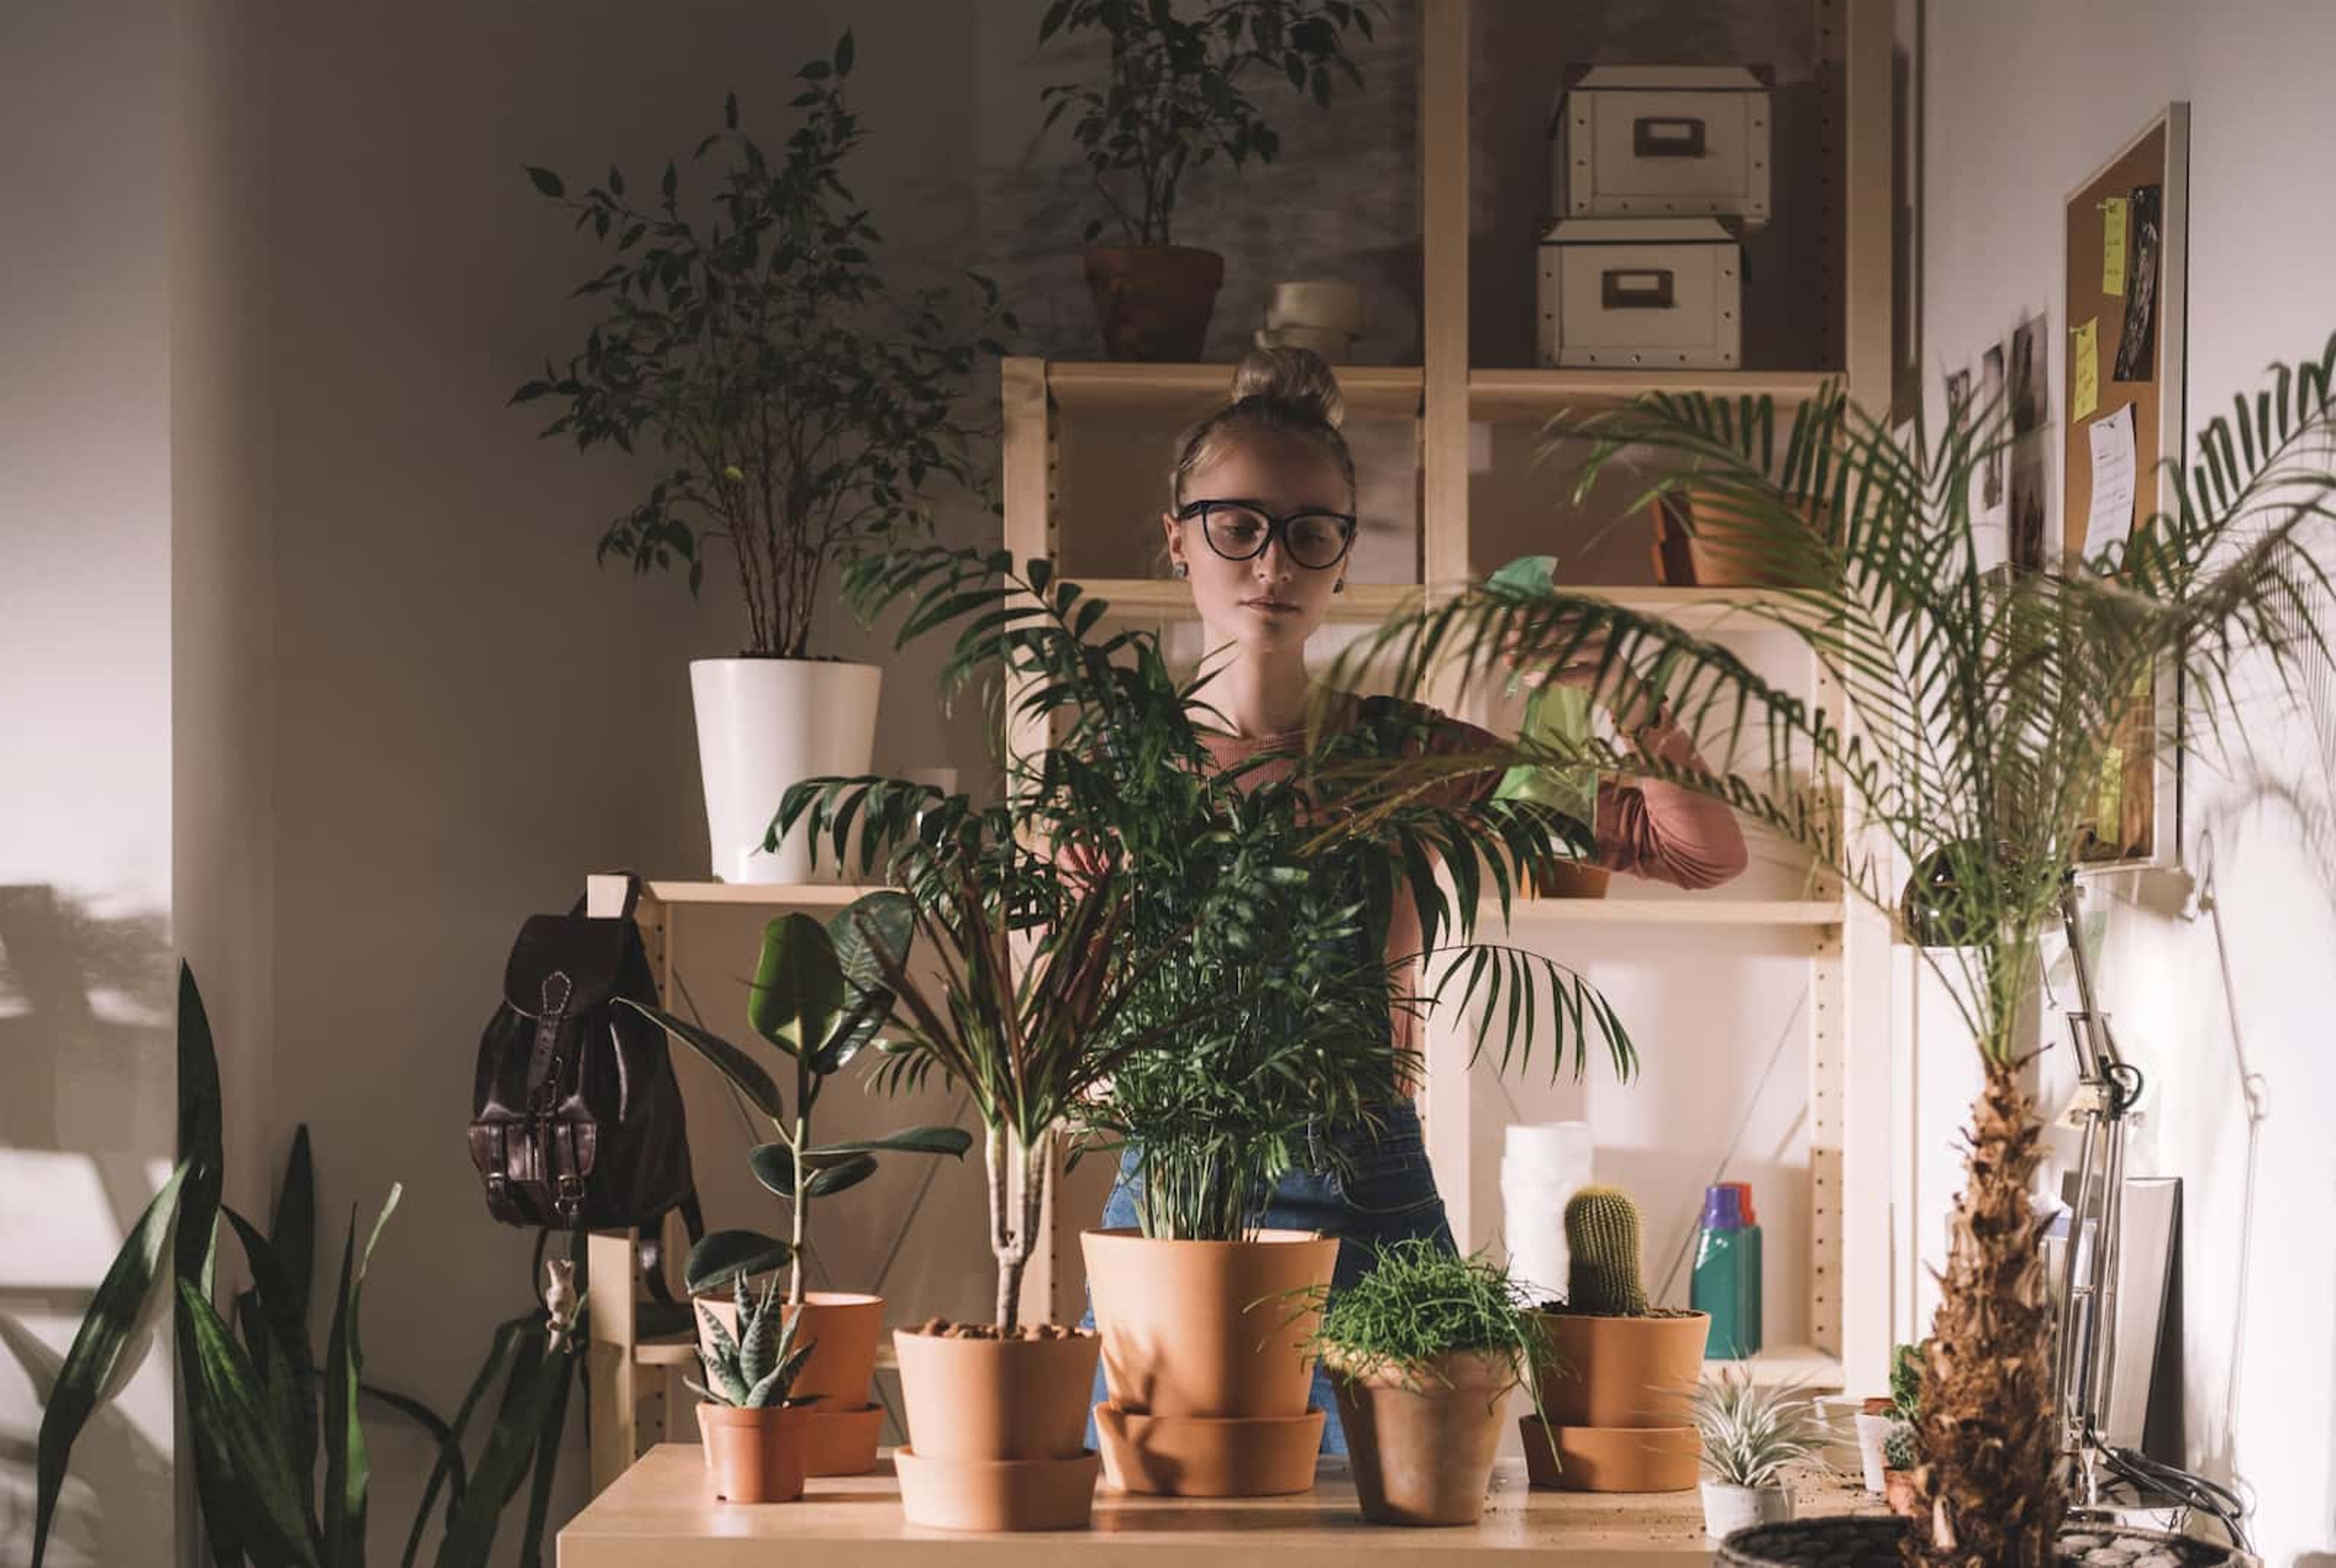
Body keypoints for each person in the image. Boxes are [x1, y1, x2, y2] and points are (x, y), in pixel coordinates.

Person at [1085, 346, 1750, 1454]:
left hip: (1375, 1222)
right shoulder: (1116, 773)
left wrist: (1620, 683)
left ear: (1342, 555)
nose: (1271, 562)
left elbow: (1699, 850)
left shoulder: (1407, 755)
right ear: (1177, 537)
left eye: (1310, 531)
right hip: (1172, 1220)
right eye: (1236, 525)